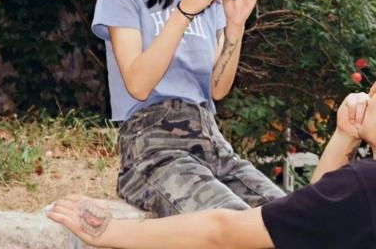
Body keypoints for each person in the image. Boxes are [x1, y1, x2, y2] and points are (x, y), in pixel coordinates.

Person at [89, 0, 285, 218]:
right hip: (153, 148)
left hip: (213, 144)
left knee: (291, 217)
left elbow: (217, 89)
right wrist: (184, 11)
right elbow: (138, 84)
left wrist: (235, 25)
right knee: (233, 225)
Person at [47, 85, 376, 249]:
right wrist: (344, 136)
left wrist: (109, 231)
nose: (367, 94)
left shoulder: (364, 183)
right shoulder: (360, 188)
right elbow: (318, 222)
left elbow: (223, 232)